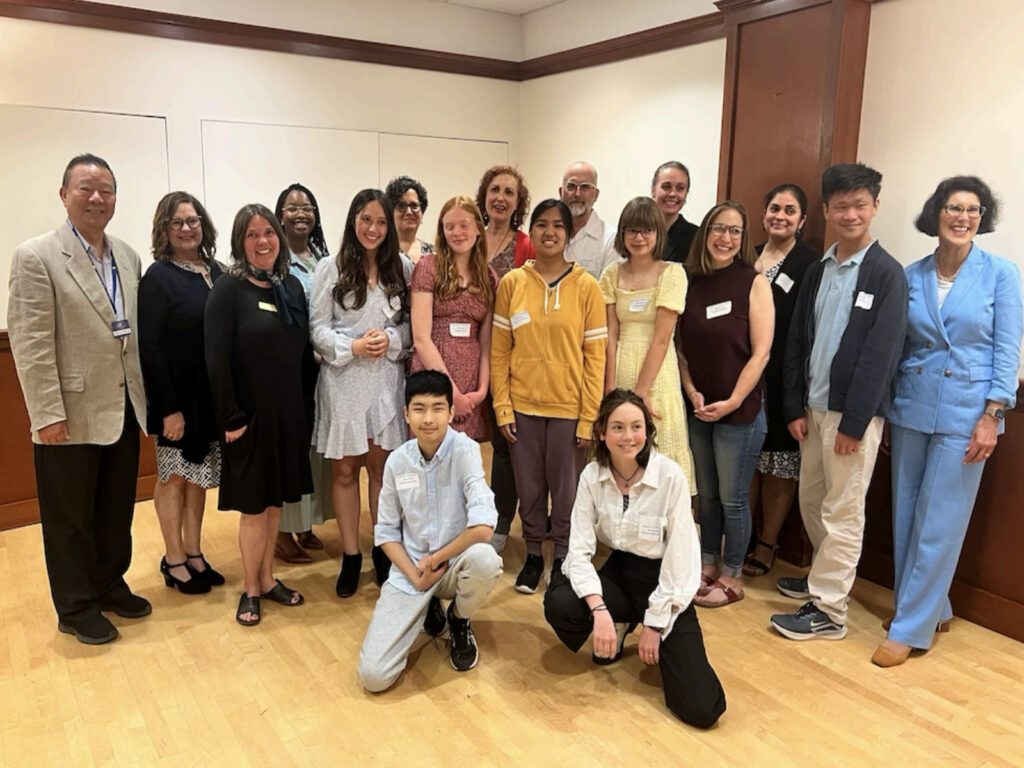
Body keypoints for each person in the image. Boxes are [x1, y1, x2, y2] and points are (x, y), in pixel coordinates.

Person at [874, 177, 1023, 667]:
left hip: (968, 411)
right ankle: (929, 605)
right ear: (936, 213)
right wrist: (891, 411)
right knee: (907, 514)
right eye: (953, 208)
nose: (963, 218)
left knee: (940, 521)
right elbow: (902, 349)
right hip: (913, 405)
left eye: (973, 210)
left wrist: (993, 415)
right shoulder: (912, 274)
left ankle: (911, 627)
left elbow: (1006, 350)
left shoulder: (1002, 274)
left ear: (983, 218)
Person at [8, 153, 150, 645]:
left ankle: (110, 584)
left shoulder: (128, 257)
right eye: (86, 188)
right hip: (68, 412)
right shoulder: (37, 256)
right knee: (69, 517)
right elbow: (30, 343)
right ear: (64, 194)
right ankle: (74, 605)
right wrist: (46, 413)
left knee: (115, 509)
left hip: (123, 407)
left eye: (106, 189)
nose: (97, 197)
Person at [772, 163, 908, 641]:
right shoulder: (818, 269)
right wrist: (793, 407)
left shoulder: (887, 274)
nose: (851, 214)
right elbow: (796, 341)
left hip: (853, 418)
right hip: (811, 410)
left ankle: (830, 610)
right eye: (841, 205)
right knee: (812, 500)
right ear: (826, 211)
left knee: (843, 510)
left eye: (860, 204)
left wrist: (856, 420)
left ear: (874, 207)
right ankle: (821, 581)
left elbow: (882, 355)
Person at [543, 390, 726, 729]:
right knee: (561, 601)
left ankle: (638, 623)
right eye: (618, 427)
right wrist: (599, 610)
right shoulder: (591, 475)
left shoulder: (669, 476)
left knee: (703, 708)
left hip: (664, 581)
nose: (628, 437)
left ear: (647, 430)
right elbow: (578, 551)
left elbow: (681, 561)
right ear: (602, 432)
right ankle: (619, 621)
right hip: (619, 570)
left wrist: (656, 624)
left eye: (636, 426)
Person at [358, 370, 503, 691]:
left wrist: (436, 559)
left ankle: (459, 619)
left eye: (438, 408)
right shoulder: (397, 461)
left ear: (452, 412)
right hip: (411, 571)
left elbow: (483, 527)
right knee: (374, 678)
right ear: (406, 414)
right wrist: (414, 573)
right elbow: (386, 533)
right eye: (419, 408)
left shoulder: (465, 450)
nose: (428, 418)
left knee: (485, 560)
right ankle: (429, 606)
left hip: (452, 565)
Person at [204, 204, 314, 626]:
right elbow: (217, 362)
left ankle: (268, 579)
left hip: (287, 416)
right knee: (254, 507)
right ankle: (250, 587)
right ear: (240, 242)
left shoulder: (290, 289)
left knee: (273, 505)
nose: (263, 241)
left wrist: (304, 413)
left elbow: (301, 355)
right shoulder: (227, 292)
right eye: (252, 235)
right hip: (247, 419)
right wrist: (230, 418)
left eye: (269, 232)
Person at [491, 199, 607, 593]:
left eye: (558, 225)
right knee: (529, 489)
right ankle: (533, 556)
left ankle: (561, 556)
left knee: (567, 491)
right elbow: (499, 350)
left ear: (568, 233)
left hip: (569, 409)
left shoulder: (587, 287)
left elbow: (596, 357)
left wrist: (590, 416)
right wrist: (502, 405)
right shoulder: (512, 284)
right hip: (522, 407)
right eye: (541, 225)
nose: (550, 232)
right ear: (532, 231)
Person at [310, 189, 413, 597]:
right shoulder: (329, 268)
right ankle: (351, 554)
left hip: (386, 380)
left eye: (381, 222)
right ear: (353, 220)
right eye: (366, 219)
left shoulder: (401, 267)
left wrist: (391, 339)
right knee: (346, 471)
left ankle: (382, 548)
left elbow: (411, 325)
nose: (373, 228)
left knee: (382, 469)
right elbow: (317, 328)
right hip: (344, 380)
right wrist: (351, 346)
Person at [678, 202, 773, 608]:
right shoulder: (689, 280)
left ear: (743, 238)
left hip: (741, 409)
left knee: (734, 498)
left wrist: (733, 400)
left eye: (735, 231)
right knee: (709, 495)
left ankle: (733, 574)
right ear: (706, 233)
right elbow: (680, 349)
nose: (726, 238)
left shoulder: (754, 282)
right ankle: (708, 563)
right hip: (700, 407)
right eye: (719, 228)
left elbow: (761, 352)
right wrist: (691, 391)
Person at [138, 191, 225, 595]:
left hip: (209, 401)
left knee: (198, 478)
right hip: (177, 402)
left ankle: (194, 552)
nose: (187, 228)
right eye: (177, 223)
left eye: (192, 221)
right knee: (173, 477)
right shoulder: (157, 277)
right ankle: (173, 559)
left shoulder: (217, 272)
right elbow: (150, 349)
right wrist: (168, 408)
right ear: (165, 230)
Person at [745, 184, 821, 577]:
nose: (780, 216)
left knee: (780, 464)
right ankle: (743, 537)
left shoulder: (811, 262)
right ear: (764, 213)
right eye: (774, 207)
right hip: (747, 375)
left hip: (786, 378)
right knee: (750, 461)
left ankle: (767, 542)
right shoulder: (749, 254)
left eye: (790, 211)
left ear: (802, 220)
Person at [600, 197, 693, 488]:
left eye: (646, 231)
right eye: (632, 231)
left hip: (657, 375)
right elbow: (610, 334)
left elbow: (662, 338)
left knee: (660, 454)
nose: (639, 238)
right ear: (622, 235)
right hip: (620, 368)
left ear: (657, 233)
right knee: (619, 453)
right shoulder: (611, 273)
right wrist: (610, 388)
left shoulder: (672, 273)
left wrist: (639, 395)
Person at [272, 182, 332, 564]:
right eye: (292, 207)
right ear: (280, 216)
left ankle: (305, 523)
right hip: (289, 370)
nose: (300, 213)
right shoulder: (272, 260)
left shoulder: (321, 258)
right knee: (291, 448)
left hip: (322, 368)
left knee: (315, 447)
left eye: (307, 206)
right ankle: (280, 531)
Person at [475, 165, 534, 552]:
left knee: (504, 443)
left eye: (509, 192)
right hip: (467, 348)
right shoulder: (469, 236)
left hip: (508, 352)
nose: (500, 197)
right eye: (494, 190)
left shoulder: (525, 245)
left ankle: (501, 523)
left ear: (518, 202)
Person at [410, 196, 497, 440]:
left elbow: (486, 343)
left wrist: (481, 391)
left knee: (462, 463)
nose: (457, 232)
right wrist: (451, 393)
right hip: (432, 375)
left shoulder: (488, 278)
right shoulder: (429, 267)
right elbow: (421, 338)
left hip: (470, 383)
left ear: (478, 228)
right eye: (449, 226)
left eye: (464, 225)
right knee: (428, 457)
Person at [559, 161, 618, 279]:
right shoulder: (551, 235)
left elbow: (608, 292)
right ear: (561, 192)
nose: (577, 194)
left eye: (585, 187)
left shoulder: (611, 239)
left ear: (596, 194)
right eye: (571, 186)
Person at [651, 161, 698, 264]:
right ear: (653, 190)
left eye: (680, 188)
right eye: (666, 187)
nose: (672, 194)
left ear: (686, 194)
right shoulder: (636, 232)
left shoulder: (697, 238)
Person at [385, 175, 434, 264]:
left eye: (414, 206)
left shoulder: (434, 254)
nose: (409, 212)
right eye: (401, 206)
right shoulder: (382, 253)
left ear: (422, 213)